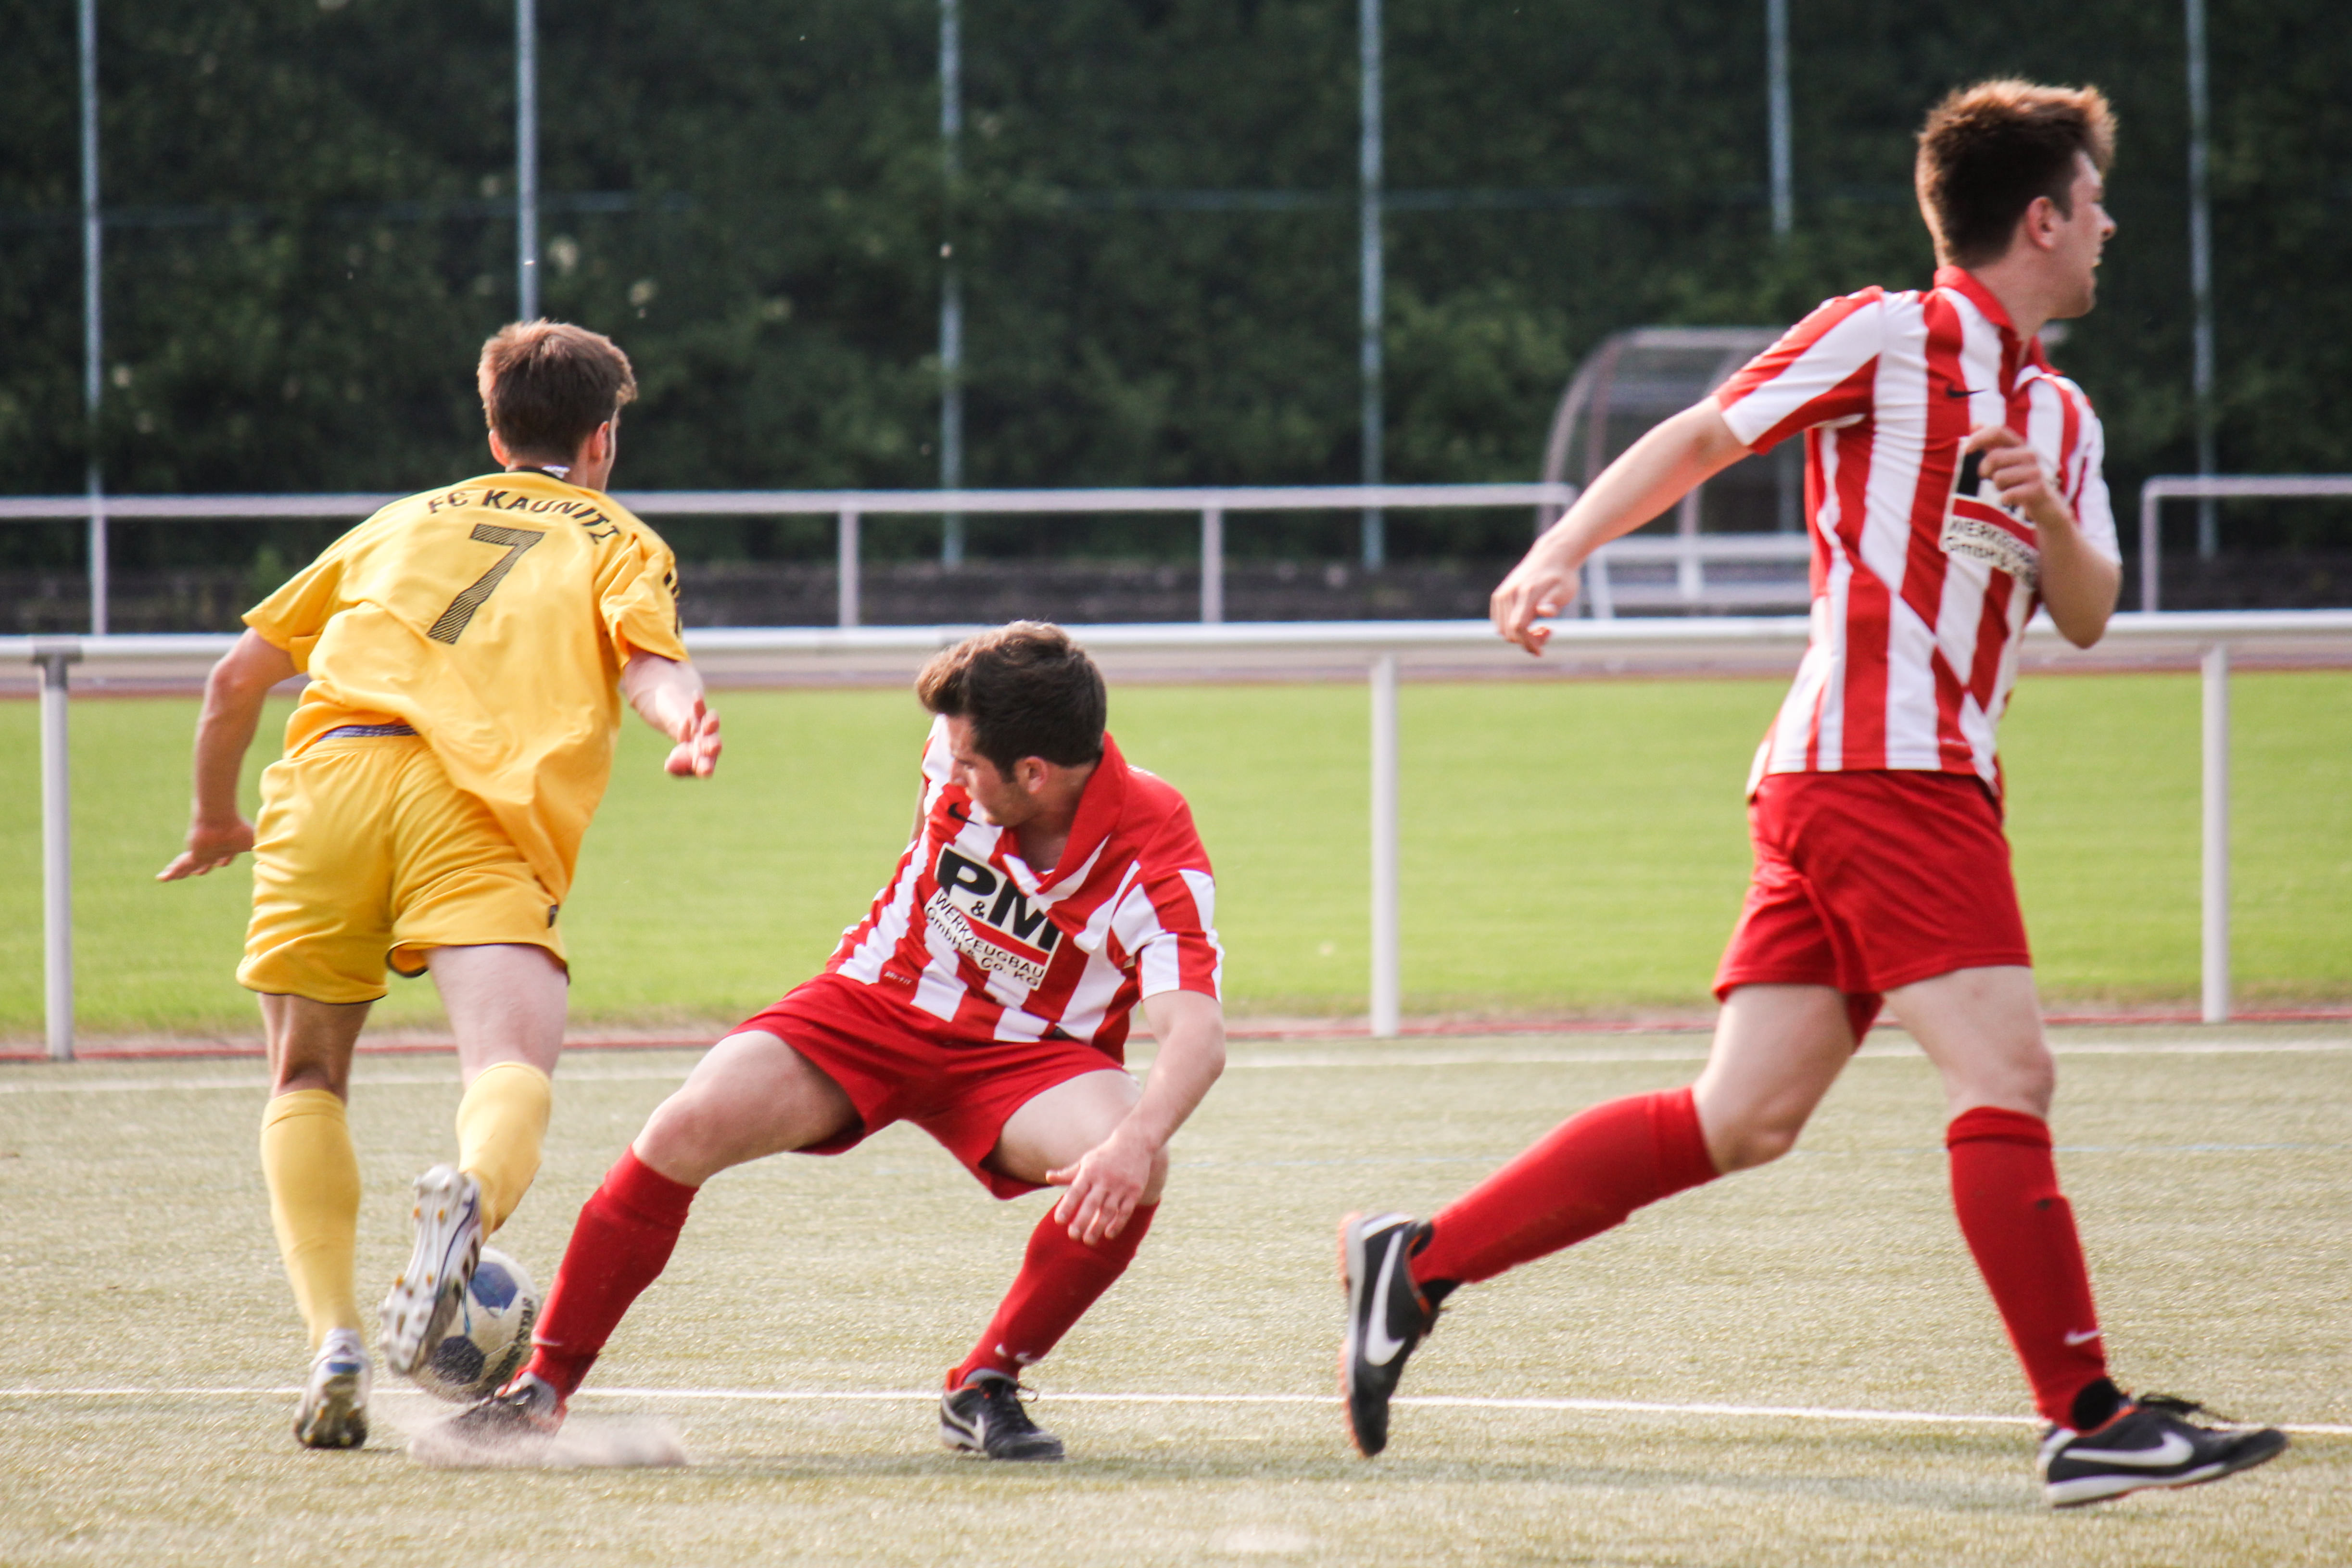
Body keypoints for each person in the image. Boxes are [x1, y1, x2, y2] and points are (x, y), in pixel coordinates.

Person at [1339, 80, 2287, 1508]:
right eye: (2095, 203)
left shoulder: (2064, 415)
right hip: (1875, 772)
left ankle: (1417, 1264)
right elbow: (1704, 436)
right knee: (2007, 1074)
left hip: (1887, 780)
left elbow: (2089, 612)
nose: (2110, 226)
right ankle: (2085, 1416)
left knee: (1743, 1117)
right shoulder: (1888, 335)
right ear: (2040, 219)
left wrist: (2041, 507)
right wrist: (1558, 550)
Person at [452, 622, 1227, 1462]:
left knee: (1137, 1162)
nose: (952, 770)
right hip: (875, 1002)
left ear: (1034, 773)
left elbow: (1196, 1035)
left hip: (1029, 1055)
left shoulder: (1154, 848)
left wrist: (1132, 1143)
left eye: (972, 764)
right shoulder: (957, 748)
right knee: (683, 1126)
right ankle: (541, 1388)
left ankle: (983, 1384)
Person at [159, 320, 722, 1451]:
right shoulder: (620, 537)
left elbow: (233, 680)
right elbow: (650, 661)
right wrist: (686, 720)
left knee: (304, 1074)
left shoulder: (402, 519)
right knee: (510, 1060)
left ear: (495, 432)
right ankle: (470, 1198)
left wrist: (217, 816)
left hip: (327, 780)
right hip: (472, 799)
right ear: (602, 440)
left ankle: (333, 1340)